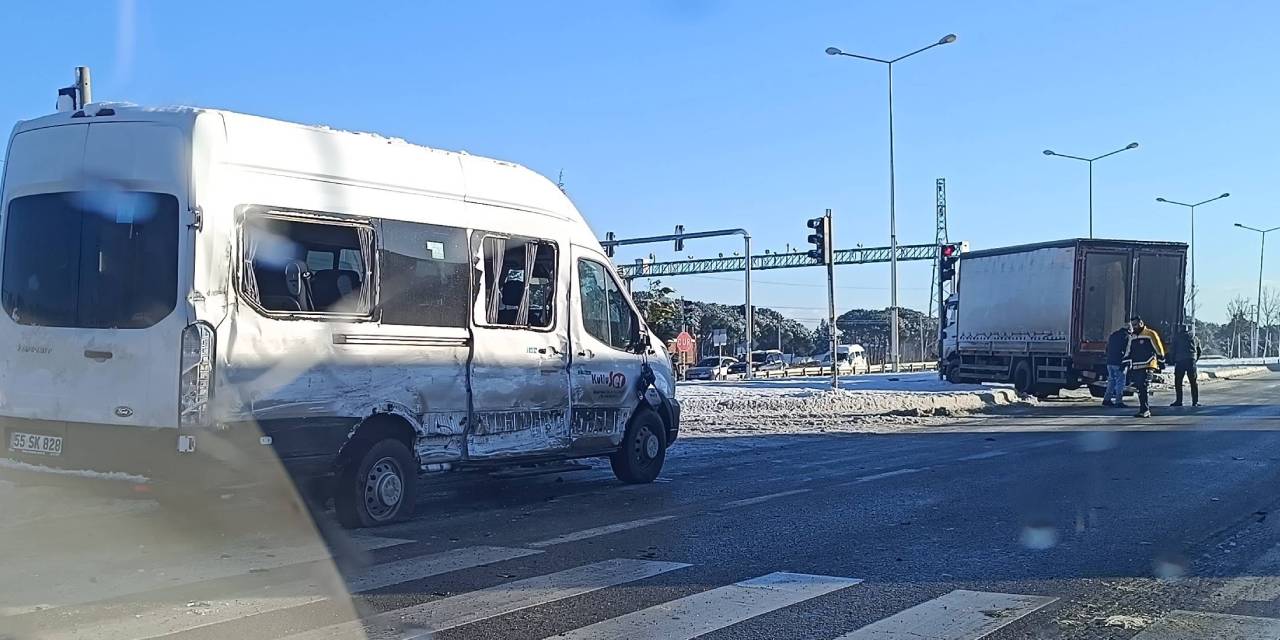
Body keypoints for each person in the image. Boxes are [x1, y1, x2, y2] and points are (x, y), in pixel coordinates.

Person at [1125, 315, 1166, 418]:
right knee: (1139, 387)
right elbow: (1129, 350)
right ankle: (1143, 409)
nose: (1134, 327)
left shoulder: (1150, 334)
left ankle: (1145, 410)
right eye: (1133, 325)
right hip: (1136, 365)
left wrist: (1161, 360)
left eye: (1136, 324)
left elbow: (1158, 347)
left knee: (1143, 386)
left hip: (1148, 364)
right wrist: (1125, 360)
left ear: (1141, 323)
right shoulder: (1133, 336)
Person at [1170, 323, 1202, 407]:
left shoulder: (1177, 338)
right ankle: (1195, 402)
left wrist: (1173, 360)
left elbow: (1172, 350)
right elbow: (1199, 351)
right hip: (1191, 361)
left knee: (1178, 382)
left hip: (1180, 361)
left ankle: (1179, 401)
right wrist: (1195, 359)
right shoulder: (1194, 338)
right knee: (1193, 382)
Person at [1102, 324, 1132, 408]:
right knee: (1120, 382)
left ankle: (1106, 399)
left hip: (1110, 362)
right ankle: (1118, 401)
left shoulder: (1113, 335)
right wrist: (1125, 362)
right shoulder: (1127, 337)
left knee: (1111, 381)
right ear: (1129, 330)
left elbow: (1107, 348)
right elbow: (1127, 351)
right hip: (1119, 362)